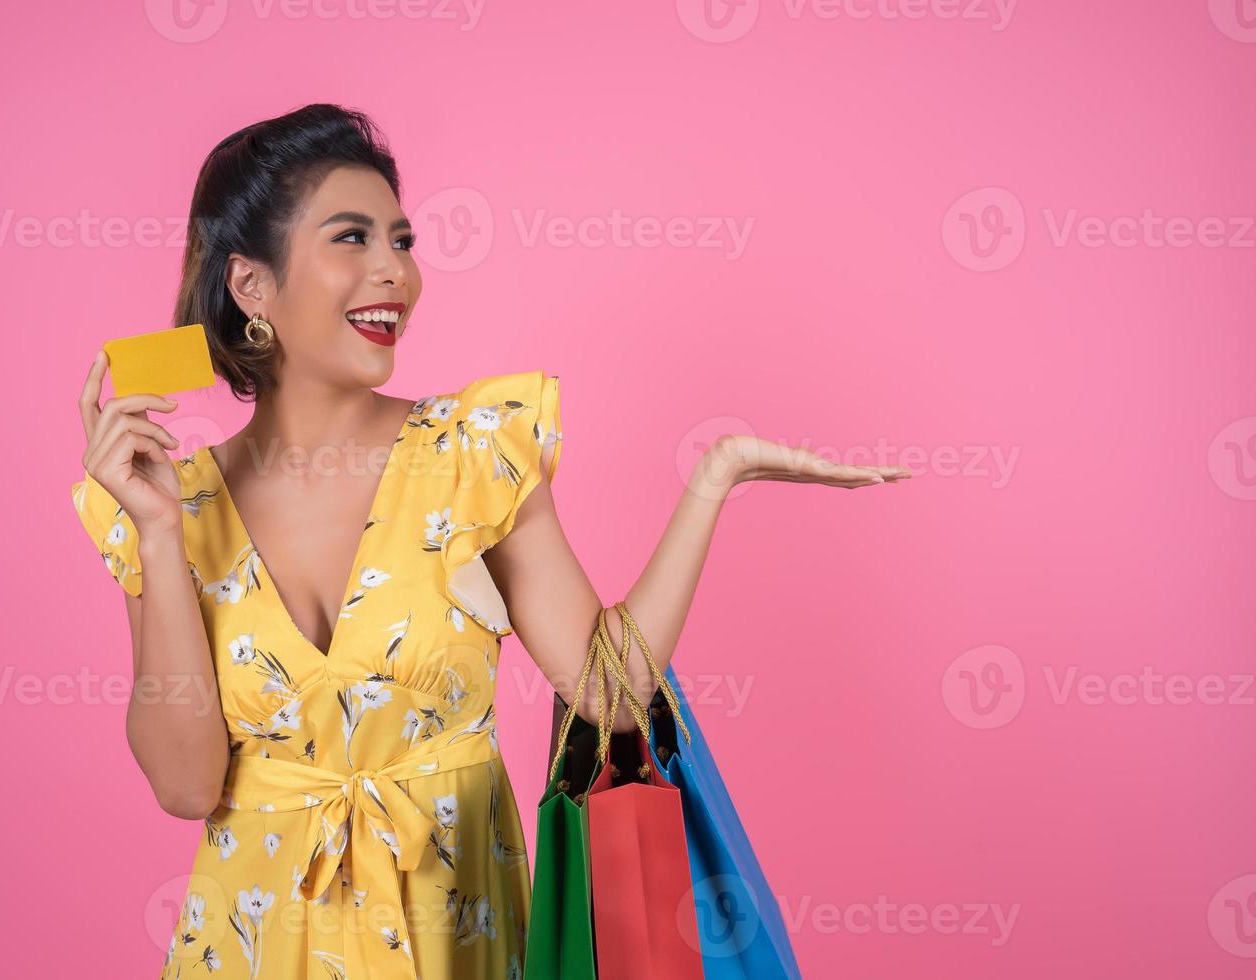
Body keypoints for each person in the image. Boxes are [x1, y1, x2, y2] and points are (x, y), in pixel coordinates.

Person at [70, 102, 908, 980]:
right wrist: (160, 536)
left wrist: (715, 479)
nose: (395, 272)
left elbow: (611, 695)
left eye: (402, 240)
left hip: (457, 945)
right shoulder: (171, 504)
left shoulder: (474, 457)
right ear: (251, 285)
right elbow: (186, 788)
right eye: (352, 239)